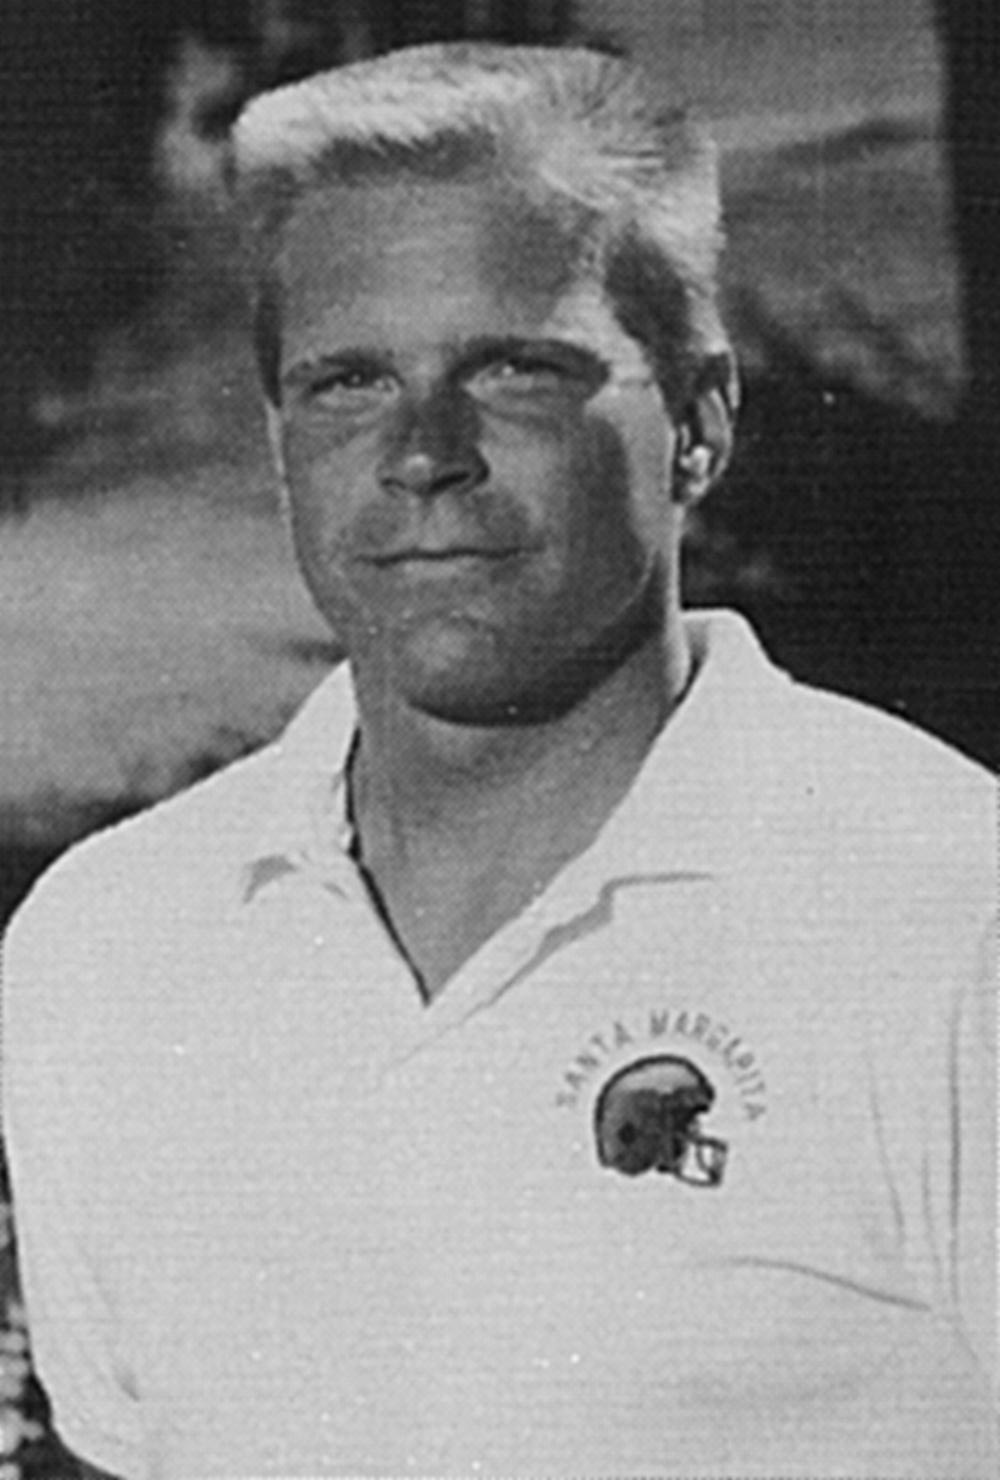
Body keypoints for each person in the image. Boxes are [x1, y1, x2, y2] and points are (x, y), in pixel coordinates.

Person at [1, 43, 995, 1480]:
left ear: (700, 424)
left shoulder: (946, 915)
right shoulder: (102, 947)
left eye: (516, 369)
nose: (422, 453)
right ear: (280, 439)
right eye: (347, 382)